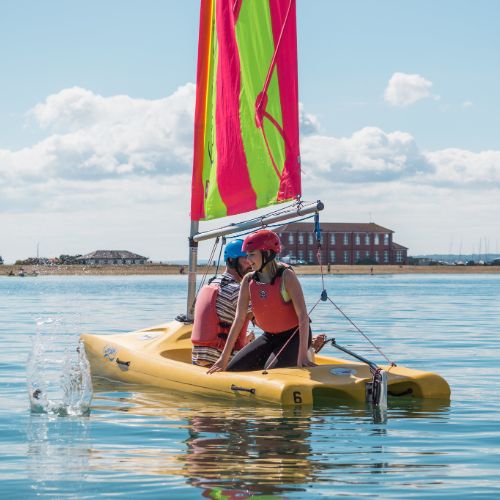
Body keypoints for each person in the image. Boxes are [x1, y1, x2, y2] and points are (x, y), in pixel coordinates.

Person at [208, 229, 315, 373]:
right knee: (233, 369)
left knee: (269, 371)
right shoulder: (248, 280)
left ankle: (302, 355)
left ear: (267, 253)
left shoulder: (286, 276)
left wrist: (302, 356)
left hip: (294, 336)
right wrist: (223, 358)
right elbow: (239, 319)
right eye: (247, 254)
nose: (248, 260)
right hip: (269, 336)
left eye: (252, 254)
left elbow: (303, 316)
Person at [191, 239, 253, 367]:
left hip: (199, 360)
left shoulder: (212, 283)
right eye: (245, 258)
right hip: (220, 363)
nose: (250, 263)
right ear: (231, 260)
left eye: (251, 257)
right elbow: (266, 325)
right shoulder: (236, 290)